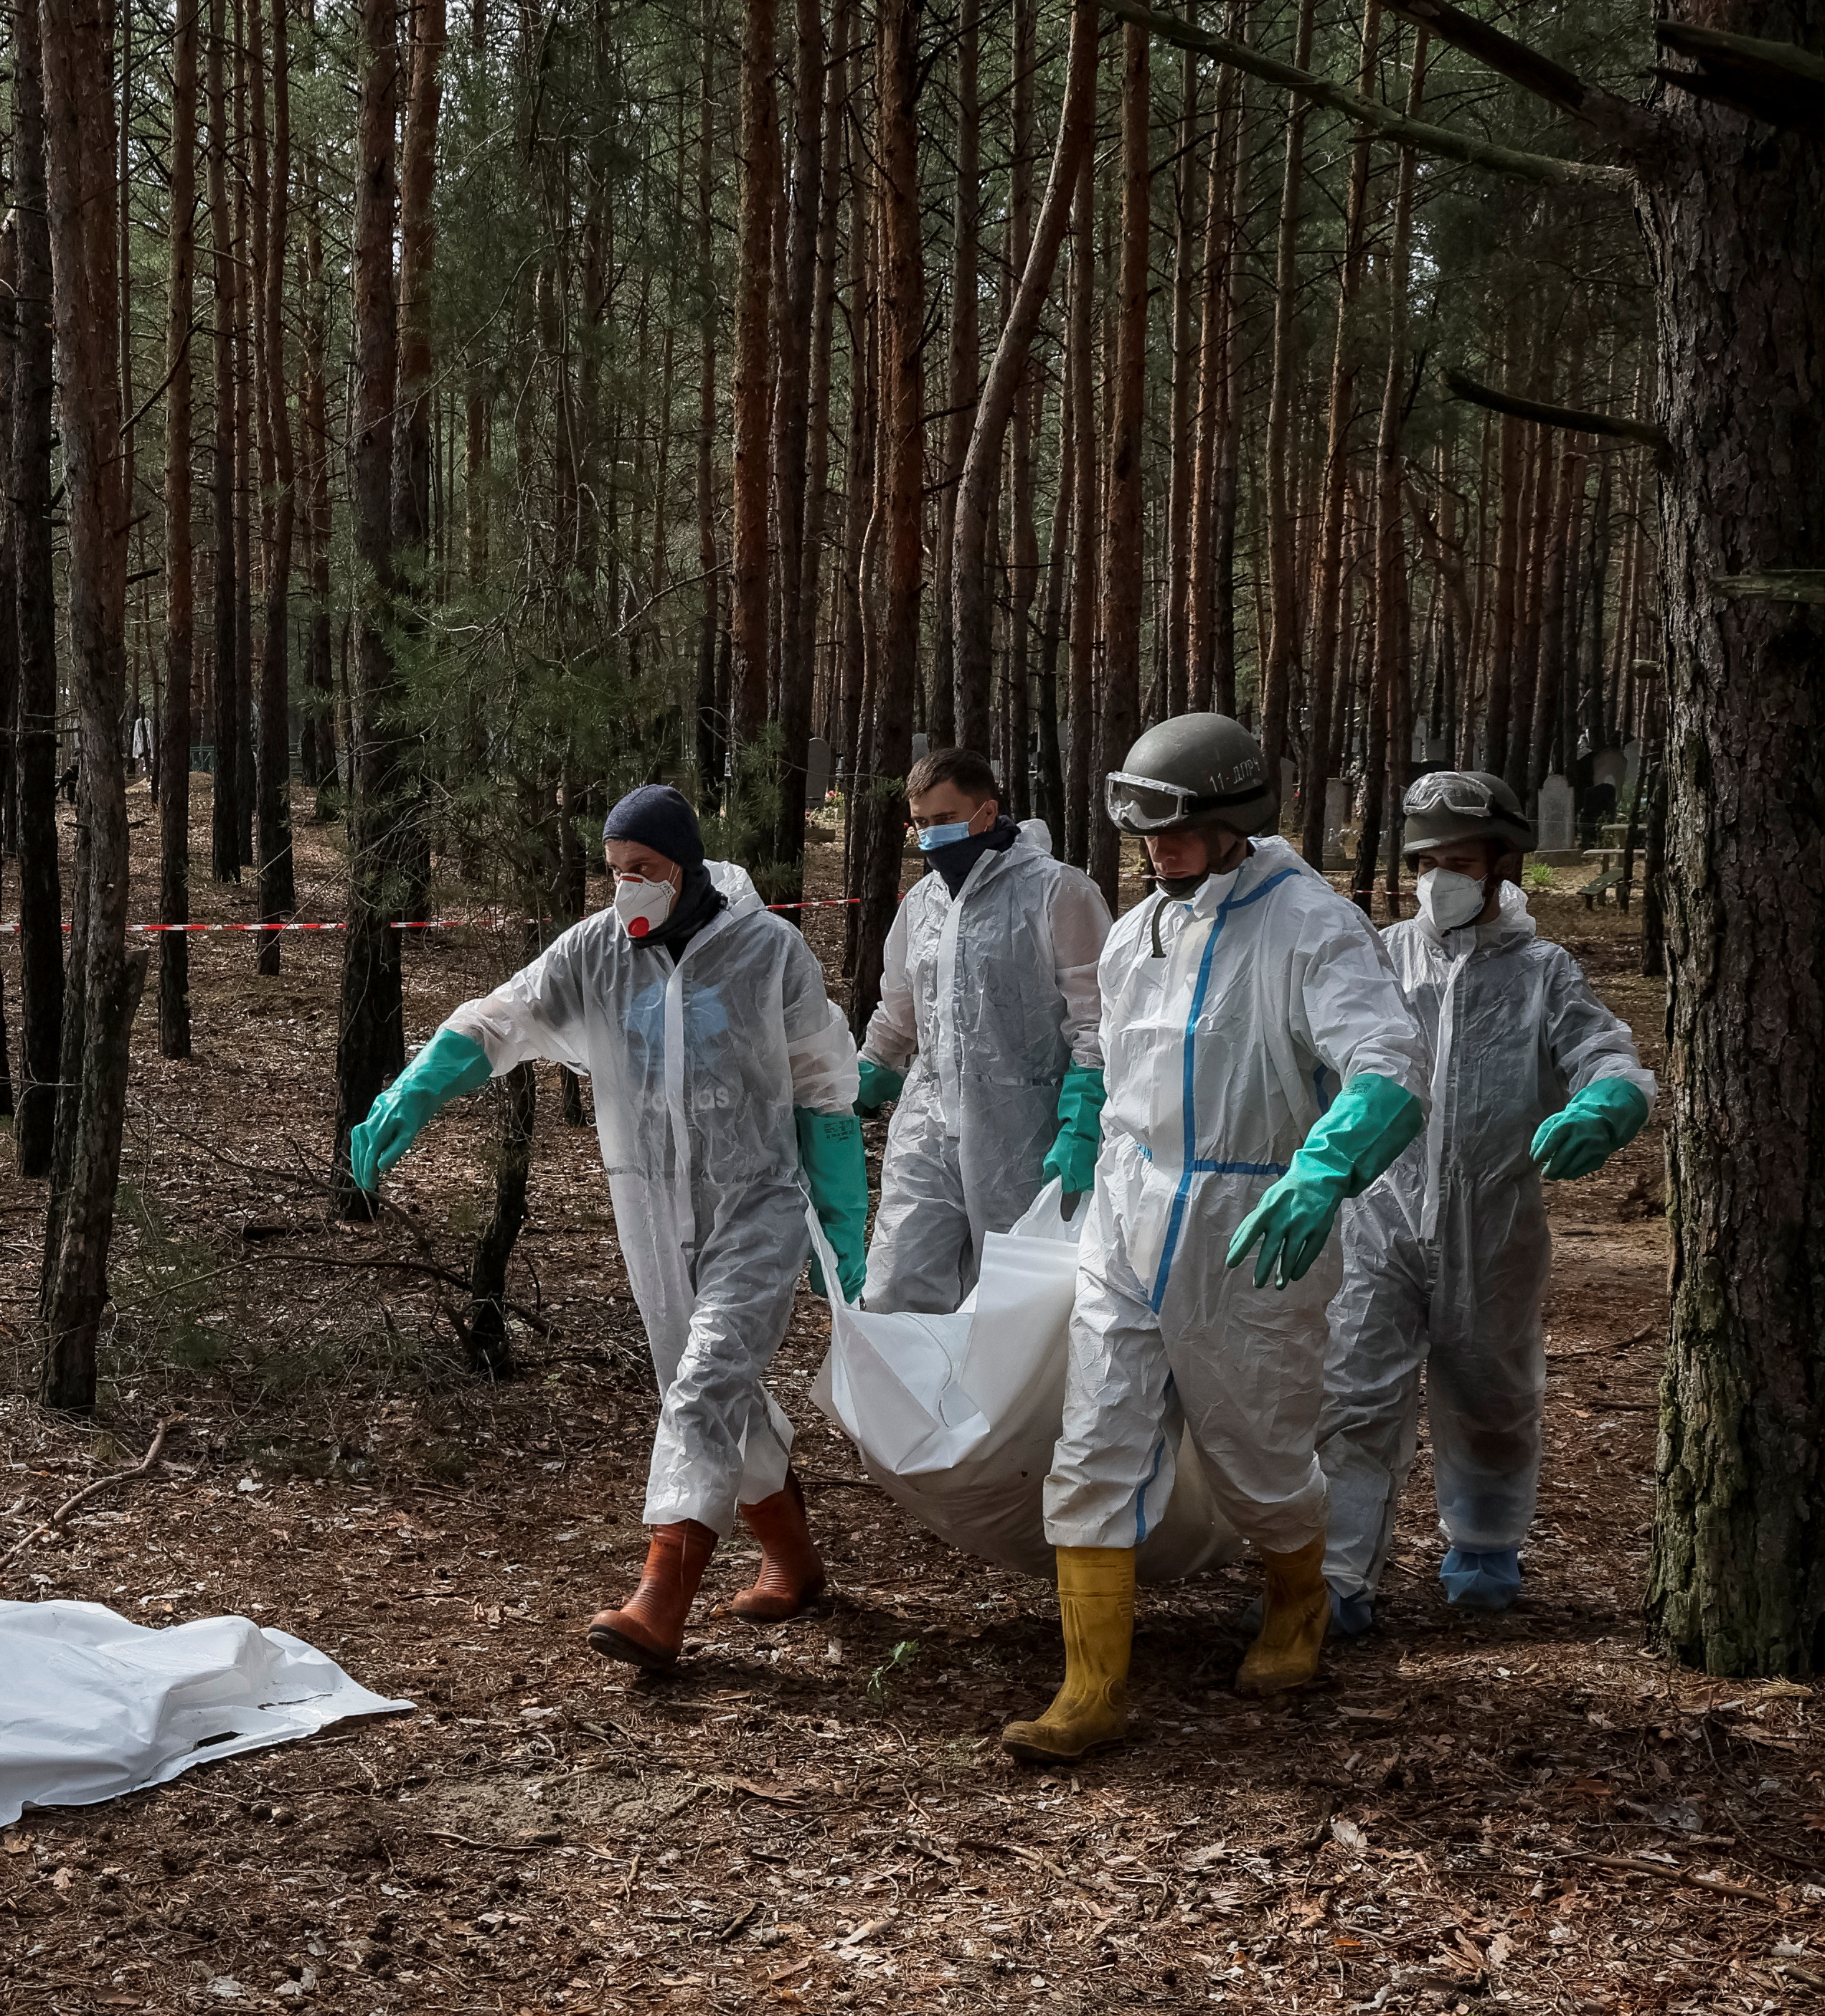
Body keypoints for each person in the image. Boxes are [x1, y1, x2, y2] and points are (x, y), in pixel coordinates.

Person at [344, 783, 867, 1673]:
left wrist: (839, 1213)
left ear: (686, 864)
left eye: (644, 870)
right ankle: (793, 1559)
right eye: (615, 871)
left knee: (703, 1382)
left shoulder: (765, 949)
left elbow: (821, 1078)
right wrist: (419, 1085)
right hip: (649, 1209)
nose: (627, 887)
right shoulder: (593, 951)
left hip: (755, 1201)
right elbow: (502, 1014)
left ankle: (660, 1596)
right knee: (703, 1387)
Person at [1005, 711, 1425, 1761]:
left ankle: (1299, 1603)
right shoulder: (1139, 929)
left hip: (1253, 1229)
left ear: (1238, 817)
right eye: (1144, 831)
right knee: (1094, 1441)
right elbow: (1113, 1055)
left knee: (1258, 1454)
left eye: (1177, 827)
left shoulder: (1310, 924)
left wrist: (1326, 1169)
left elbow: (1388, 1062)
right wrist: (1082, 1126)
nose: (1158, 849)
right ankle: (1090, 1692)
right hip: (1130, 1218)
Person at [1316, 772, 1654, 1631]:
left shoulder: (1542, 971)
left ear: (1502, 864)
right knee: (1352, 1395)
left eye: (1457, 859)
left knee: (1491, 1395)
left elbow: (1603, 1051)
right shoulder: (1377, 957)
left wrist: (1607, 1101)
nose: (1437, 878)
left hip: (1491, 1222)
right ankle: (1335, 1577)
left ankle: (1483, 1548)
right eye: (1425, 860)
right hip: (1375, 1218)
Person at [852, 743, 1111, 1312]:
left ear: (986, 813)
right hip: (926, 1128)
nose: (929, 836)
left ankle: (993, 1406)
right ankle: (909, 1402)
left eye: (943, 820)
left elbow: (1096, 1014)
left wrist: (1084, 1112)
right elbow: (900, 1008)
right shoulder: (921, 901)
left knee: (1008, 1303)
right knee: (896, 1285)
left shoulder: (1056, 891)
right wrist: (867, 1073)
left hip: (1024, 1134)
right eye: (918, 823)